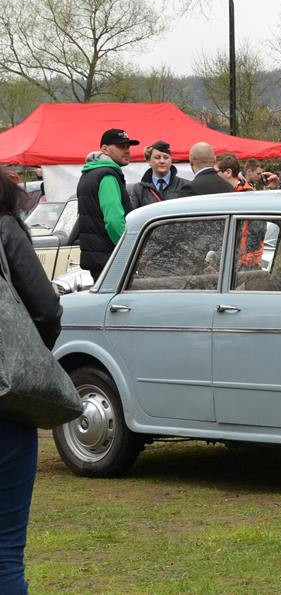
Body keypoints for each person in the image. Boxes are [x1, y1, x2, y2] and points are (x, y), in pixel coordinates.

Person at [0, 170, 62, 594]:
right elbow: (45, 309)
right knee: (4, 549)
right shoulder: (4, 227)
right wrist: (22, 357)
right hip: (4, 402)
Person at [76, 128, 137, 279]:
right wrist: (129, 250)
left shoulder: (89, 173)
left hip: (98, 257)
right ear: (105, 149)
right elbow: (114, 221)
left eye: (128, 146)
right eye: (121, 146)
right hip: (110, 258)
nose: (127, 151)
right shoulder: (107, 175)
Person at [127, 140, 190, 208]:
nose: (162, 161)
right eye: (157, 157)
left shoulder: (185, 186)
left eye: (166, 157)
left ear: (171, 160)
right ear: (148, 161)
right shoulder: (138, 189)